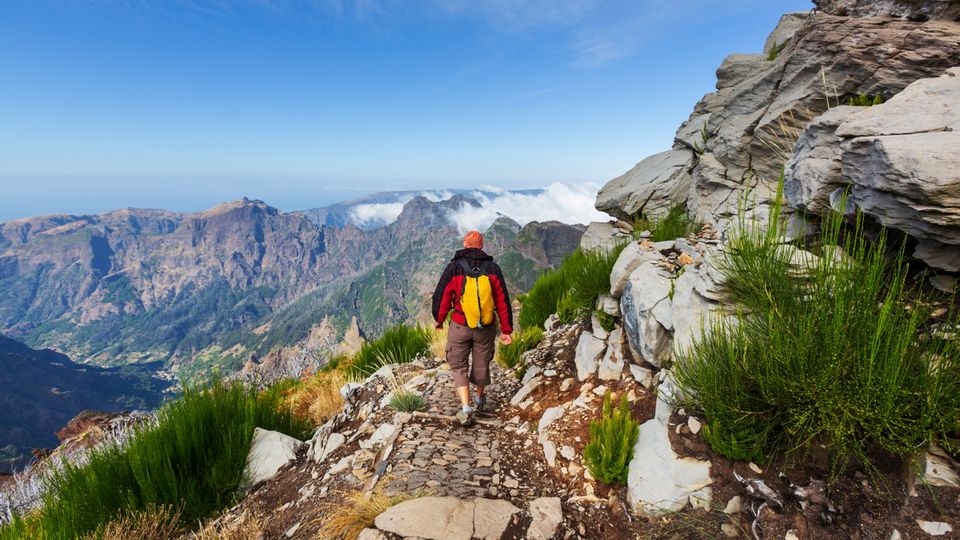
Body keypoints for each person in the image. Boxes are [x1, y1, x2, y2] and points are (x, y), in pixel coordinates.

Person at [432, 230, 513, 425]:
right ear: (482, 245)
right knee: (481, 362)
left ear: (465, 244)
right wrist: (506, 330)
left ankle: (466, 408)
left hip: (460, 324)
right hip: (485, 327)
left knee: (458, 364)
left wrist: (439, 319)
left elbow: (442, 296)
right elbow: (502, 300)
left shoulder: (454, 268)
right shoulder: (492, 268)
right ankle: (479, 398)